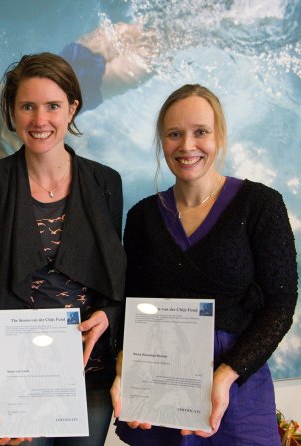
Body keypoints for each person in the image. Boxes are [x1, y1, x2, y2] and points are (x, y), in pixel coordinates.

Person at [111, 84, 298, 445]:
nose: (187, 146)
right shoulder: (143, 217)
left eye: (200, 132)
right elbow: (132, 307)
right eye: (174, 134)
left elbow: (280, 304)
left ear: (219, 135)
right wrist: (126, 369)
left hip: (237, 384)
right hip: (160, 386)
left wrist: (227, 374)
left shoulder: (260, 205)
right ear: (161, 141)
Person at [0, 52, 127, 446]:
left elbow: (115, 281)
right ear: (12, 111)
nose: (40, 121)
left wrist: (107, 315)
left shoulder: (106, 182)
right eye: (27, 107)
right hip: (19, 380)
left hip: (91, 376)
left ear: (72, 108)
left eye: (53, 106)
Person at [0, 21, 156, 170]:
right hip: (69, 58)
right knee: (150, 30)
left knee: (158, 52)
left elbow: (7, 170)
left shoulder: (3, 134)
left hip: (93, 87)